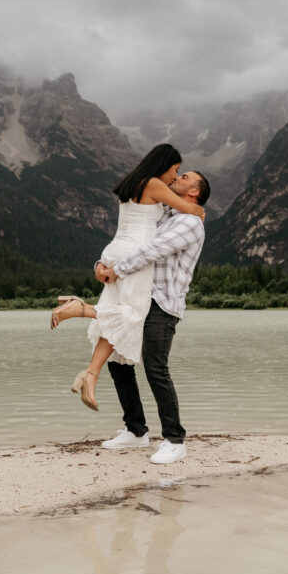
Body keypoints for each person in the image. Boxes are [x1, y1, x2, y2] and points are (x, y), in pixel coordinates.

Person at [50, 144, 205, 411]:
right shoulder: (155, 184)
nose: (174, 177)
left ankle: (91, 374)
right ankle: (80, 308)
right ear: (163, 164)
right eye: (176, 170)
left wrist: (103, 262)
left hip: (116, 250)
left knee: (115, 320)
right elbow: (188, 209)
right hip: (135, 254)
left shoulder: (132, 184)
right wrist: (199, 211)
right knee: (131, 314)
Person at [95, 167, 210, 464]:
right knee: (118, 359)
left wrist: (116, 271)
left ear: (194, 191)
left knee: (155, 366)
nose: (176, 178)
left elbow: (152, 250)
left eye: (184, 177)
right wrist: (102, 263)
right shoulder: (165, 214)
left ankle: (175, 440)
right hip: (136, 296)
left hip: (163, 303)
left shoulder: (189, 223)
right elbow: (130, 239)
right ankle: (136, 431)